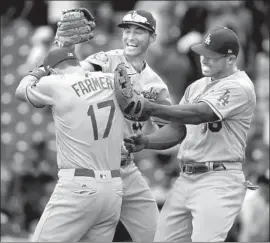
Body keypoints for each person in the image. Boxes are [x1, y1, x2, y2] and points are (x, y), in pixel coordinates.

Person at [124, 26, 257, 242]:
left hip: (218, 178)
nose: (204, 59)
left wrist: (150, 108)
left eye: (212, 56)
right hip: (186, 177)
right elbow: (178, 128)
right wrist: (147, 141)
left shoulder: (239, 86)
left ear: (231, 59)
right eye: (203, 53)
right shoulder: (196, 86)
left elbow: (199, 114)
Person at [78, 10, 172, 241]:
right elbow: (80, 74)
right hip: (93, 166)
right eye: (127, 30)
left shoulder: (155, 85)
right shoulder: (107, 60)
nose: (130, 36)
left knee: (158, 235)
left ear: (153, 37)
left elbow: (171, 129)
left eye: (139, 31)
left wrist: (148, 141)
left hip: (126, 167)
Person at [15, 47, 124, 242]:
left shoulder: (56, 82)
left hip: (79, 185)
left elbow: (21, 90)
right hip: (113, 189)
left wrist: (40, 69)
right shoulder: (110, 79)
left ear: (54, 71)